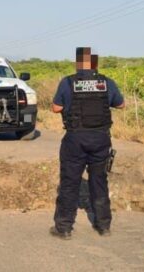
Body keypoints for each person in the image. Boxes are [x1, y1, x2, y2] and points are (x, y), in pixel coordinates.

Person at [49, 47, 125, 240]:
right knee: (99, 182)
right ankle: (103, 226)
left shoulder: (68, 82)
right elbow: (121, 104)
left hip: (75, 139)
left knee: (69, 183)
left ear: (78, 64)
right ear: (95, 64)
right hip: (100, 139)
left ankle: (64, 228)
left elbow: (56, 108)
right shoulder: (106, 82)